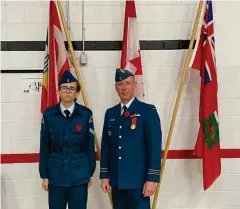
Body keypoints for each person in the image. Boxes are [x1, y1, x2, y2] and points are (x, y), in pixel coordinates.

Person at [100, 68, 162, 209]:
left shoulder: (147, 111)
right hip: (116, 181)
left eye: (128, 83)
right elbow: (106, 146)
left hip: (138, 182)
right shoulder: (111, 113)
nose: (124, 88)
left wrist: (152, 179)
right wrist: (104, 175)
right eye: (120, 84)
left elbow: (154, 147)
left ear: (135, 85)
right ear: (116, 88)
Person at [39, 71, 96, 209]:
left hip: (79, 172)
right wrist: (44, 175)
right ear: (58, 91)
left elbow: (89, 145)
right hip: (56, 174)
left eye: (72, 88)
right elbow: (45, 146)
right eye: (64, 88)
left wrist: (89, 173)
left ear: (77, 93)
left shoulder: (85, 114)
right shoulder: (49, 115)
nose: (68, 91)